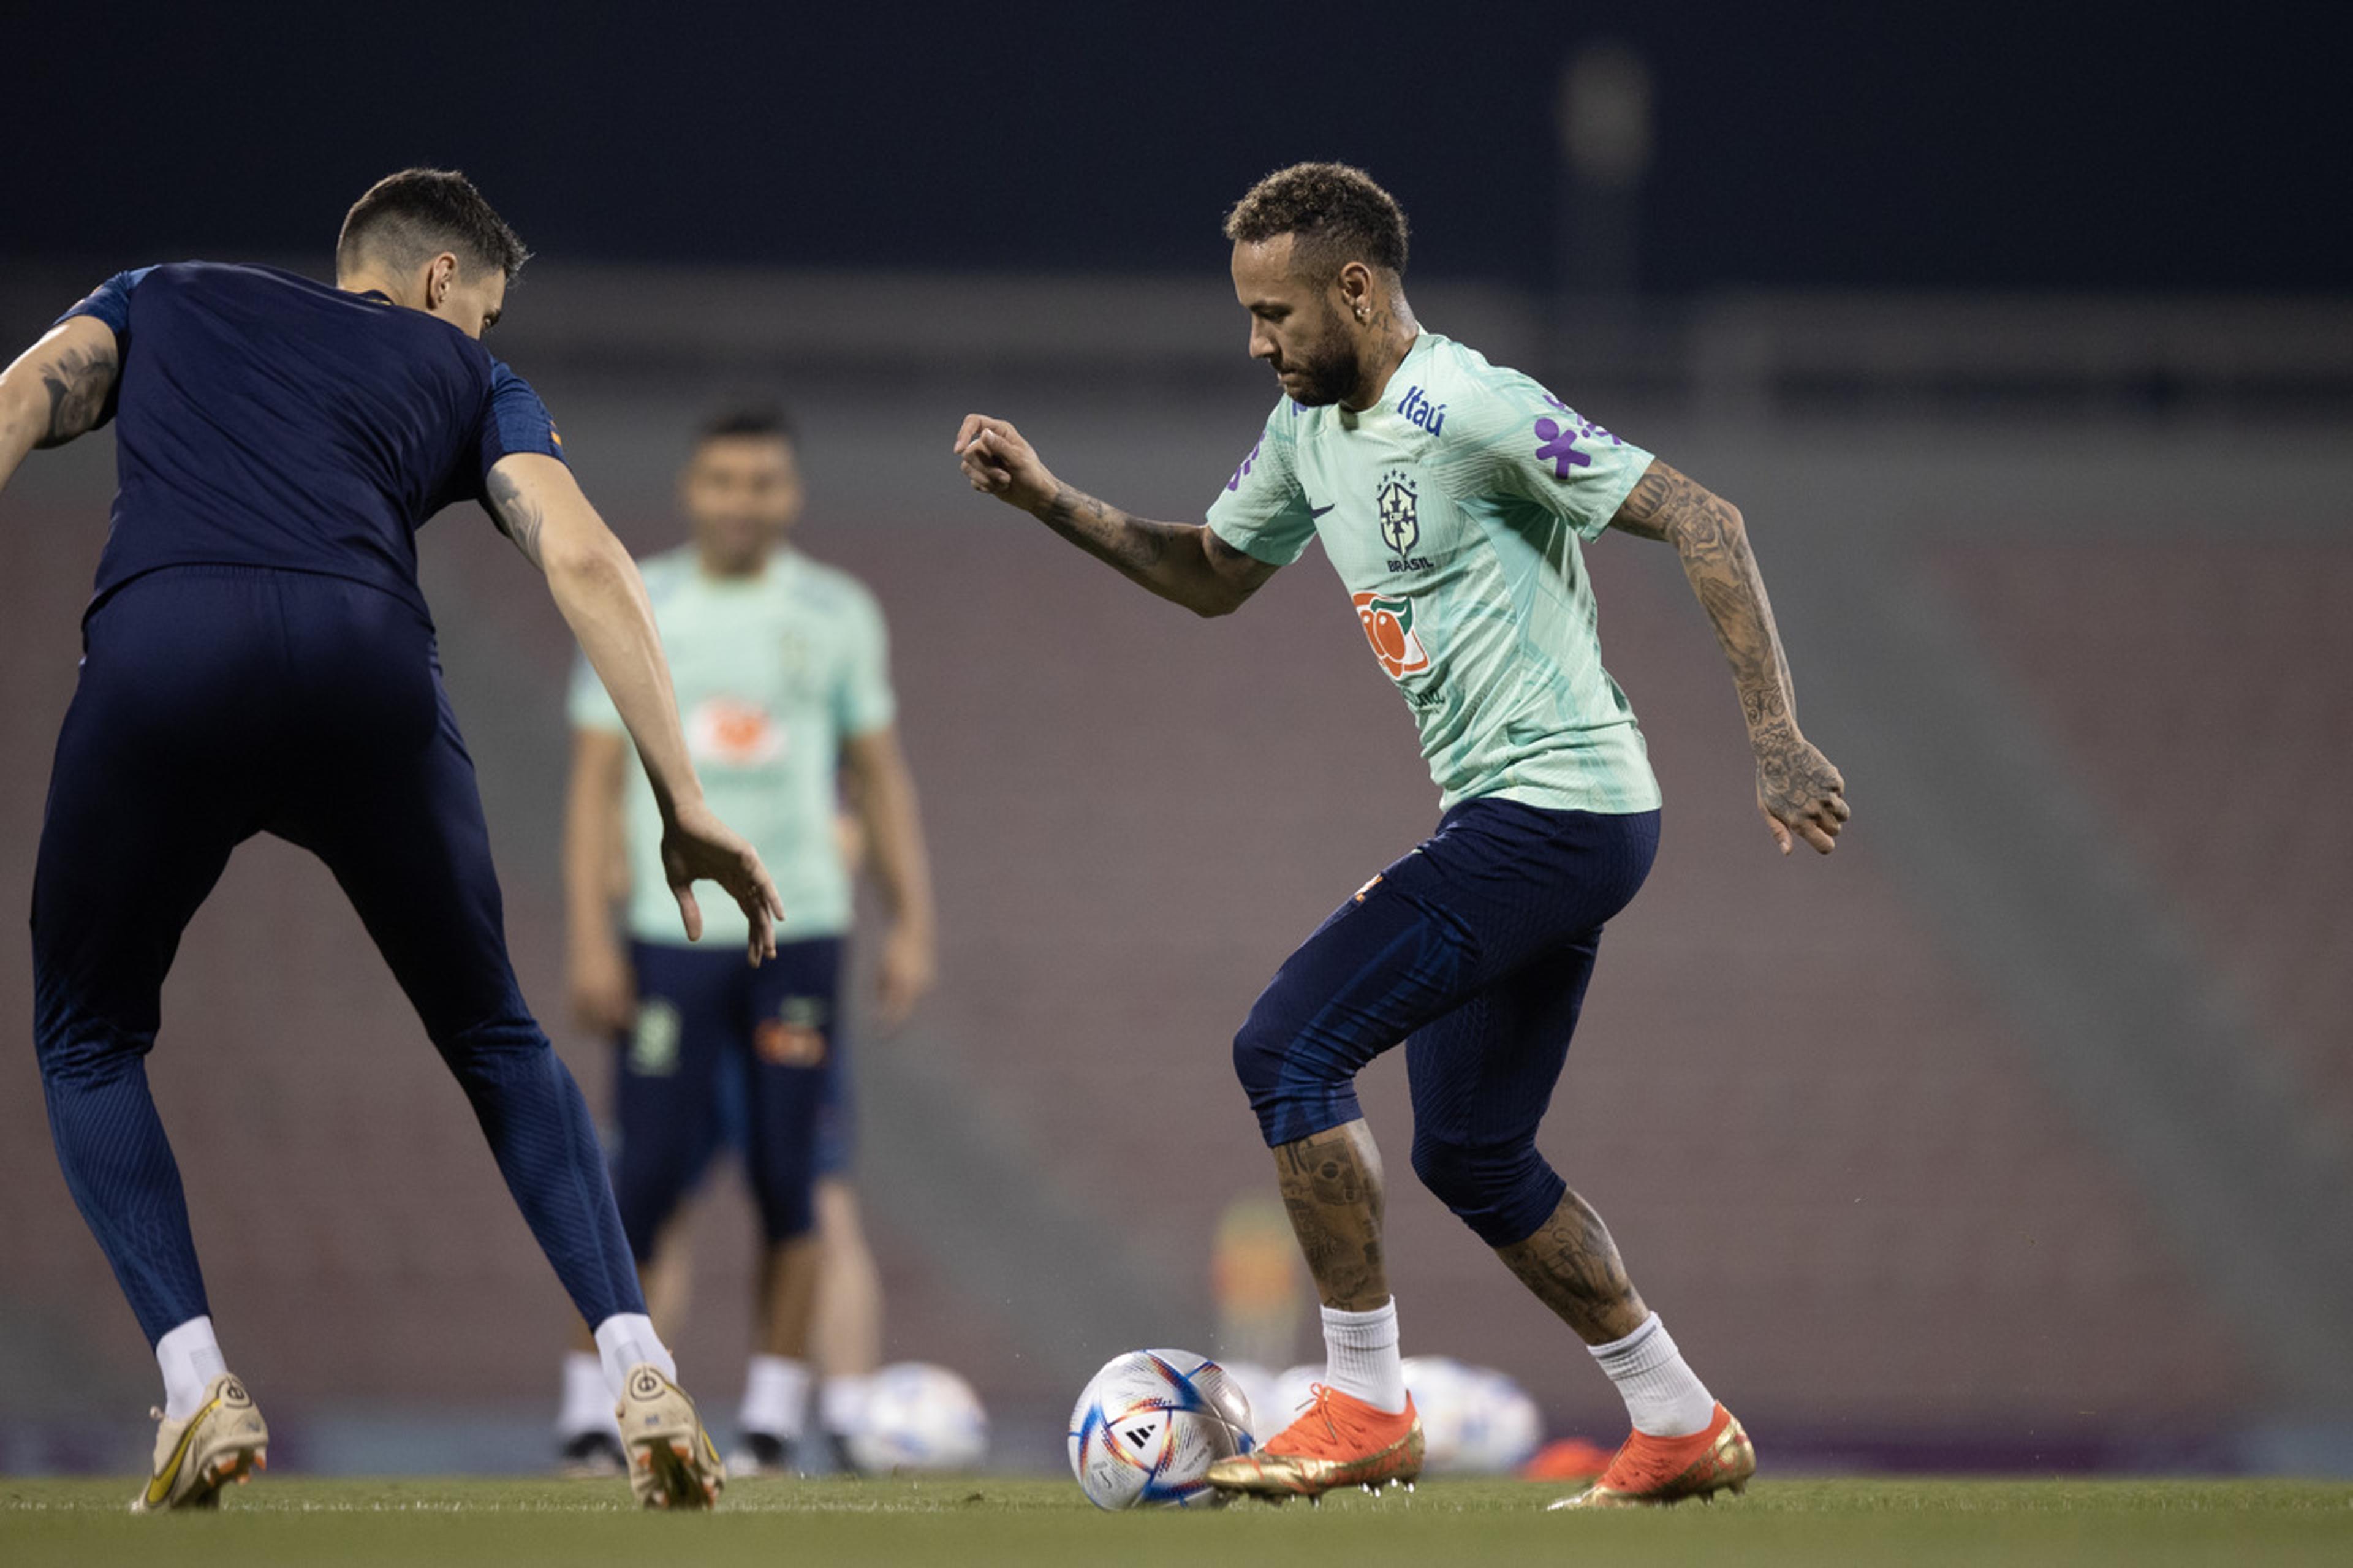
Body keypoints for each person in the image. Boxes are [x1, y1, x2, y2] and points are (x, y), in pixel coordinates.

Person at [953, 162, 1848, 1509]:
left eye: (1276, 314)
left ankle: (1366, 1402)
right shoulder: (1309, 431)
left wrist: (1776, 737)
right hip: (1526, 816)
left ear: (1357, 289)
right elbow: (1211, 576)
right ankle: (1677, 1417)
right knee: (1471, 1150)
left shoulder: (1473, 406)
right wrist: (1049, 501)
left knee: (1287, 1042)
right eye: (1248, 316)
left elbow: (1702, 518)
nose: (1258, 343)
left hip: (1561, 805)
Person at [0, 168, 775, 1512]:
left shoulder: (161, 295)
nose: (477, 332)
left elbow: (17, 400)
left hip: (163, 656)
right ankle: (639, 1362)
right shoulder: (472, 380)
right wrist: (684, 799)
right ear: (437, 283)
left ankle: (195, 1385)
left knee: (87, 1034)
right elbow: (585, 557)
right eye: (480, 309)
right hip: (365, 671)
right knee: (495, 1034)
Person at [551, 406, 935, 1477]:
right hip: (669, 935)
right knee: (644, 1175)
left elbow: (879, 774)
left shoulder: (836, 611)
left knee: (790, 1176)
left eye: (762, 482)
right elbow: (591, 786)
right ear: (692, 488)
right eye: (723, 480)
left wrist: (911, 918)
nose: (741, 501)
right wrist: (587, 934)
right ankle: (594, 1405)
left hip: (801, 928)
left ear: (790, 495)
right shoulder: (640, 599)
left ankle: (771, 1418)